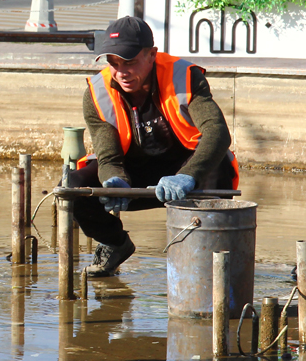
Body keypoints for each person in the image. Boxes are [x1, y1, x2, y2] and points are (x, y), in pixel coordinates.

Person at [71, 15, 238, 277]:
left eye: (130, 62)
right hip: (135, 171)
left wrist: (187, 176)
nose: (121, 72)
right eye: (113, 63)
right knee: (76, 187)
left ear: (152, 55)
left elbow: (218, 133)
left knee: (218, 170)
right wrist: (114, 181)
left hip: (190, 168)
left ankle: (213, 263)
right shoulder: (97, 92)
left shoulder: (185, 78)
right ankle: (115, 244)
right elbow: (108, 158)